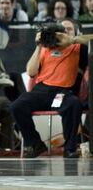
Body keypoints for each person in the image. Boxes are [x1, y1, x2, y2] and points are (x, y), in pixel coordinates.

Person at [11, 18, 87, 158]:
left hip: (64, 91)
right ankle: (36, 144)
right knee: (16, 106)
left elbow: (89, 40)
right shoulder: (45, 48)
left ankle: (70, 148)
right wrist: (39, 46)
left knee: (73, 104)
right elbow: (31, 72)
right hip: (42, 90)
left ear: (76, 32)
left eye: (68, 29)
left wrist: (72, 40)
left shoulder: (79, 48)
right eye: (60, 30)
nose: (63, 33)